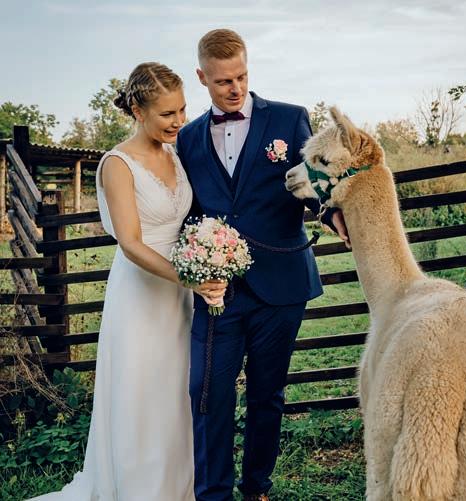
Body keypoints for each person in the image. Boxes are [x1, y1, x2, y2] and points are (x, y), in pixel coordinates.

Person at [28, 62, 226, 501]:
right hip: (141, 294)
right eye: (167, 114)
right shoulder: (117, 164)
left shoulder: (175, 154)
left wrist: (208, 256)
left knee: (178, 390)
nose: (179, 121)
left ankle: (180, 486)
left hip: (181, 293)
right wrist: (190, 278)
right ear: (138, 111)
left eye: (182, 110)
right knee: (143, 391)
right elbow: (131, 243)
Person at [177, 29, 349, 501]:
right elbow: (189, 210)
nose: (235, 88)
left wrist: (333, 214)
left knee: (266, 393)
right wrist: (196, 264)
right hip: (218, 288)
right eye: (222, 81)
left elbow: (314, 183)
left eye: (241, 76)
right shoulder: (188, 139)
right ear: (202, 78)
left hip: (282, 284)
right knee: (207, 392)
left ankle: (256, 489)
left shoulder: (290, 118)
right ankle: (213, 494)